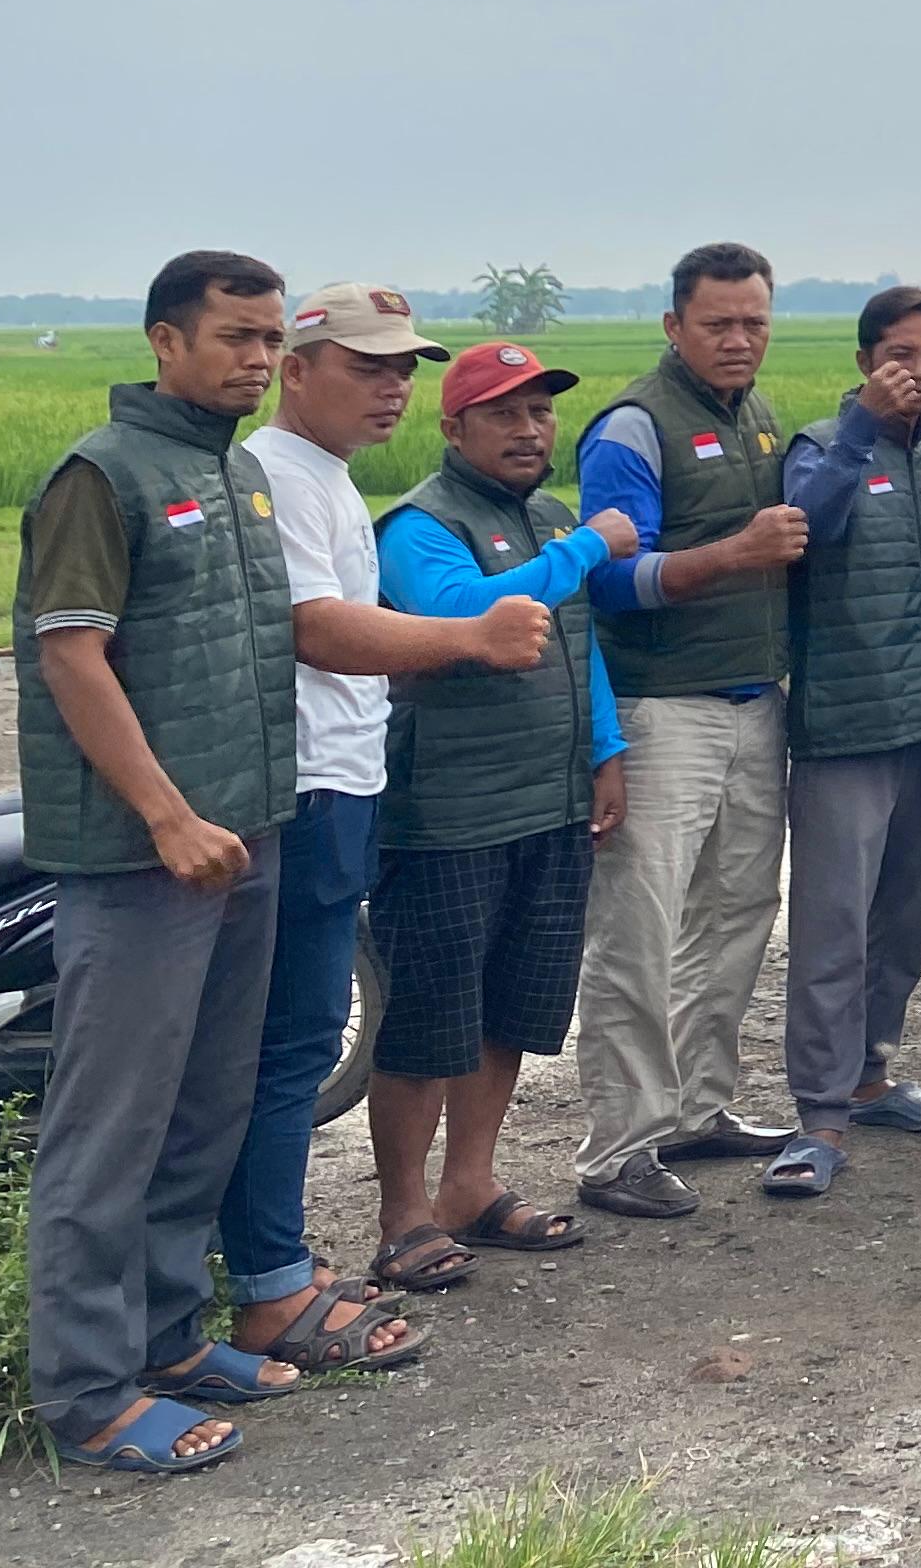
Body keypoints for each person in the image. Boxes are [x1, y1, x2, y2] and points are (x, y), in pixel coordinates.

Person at [20, 255, 547, 1475]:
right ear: (165, 341)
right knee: (114, 1125)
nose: (253, 360)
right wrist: (161, 815)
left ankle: (167, 1338)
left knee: (207, 1108)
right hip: (147, 854)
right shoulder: (107, 475)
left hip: (250, 836)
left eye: (266, 337)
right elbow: (71, 659)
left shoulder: (235, 476)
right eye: (234, 339)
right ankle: (87, 1391)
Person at [211, 286, 461, 1378]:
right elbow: (315, 631)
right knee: (291, 1048)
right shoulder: (278, 475)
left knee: (297, 1041)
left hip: (341, 783)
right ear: (296, 369)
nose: (392, 386)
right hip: (307, 790)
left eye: (403, 368)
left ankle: (278, 1262)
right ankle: (269, 1282)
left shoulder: (326, 481)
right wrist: (464, 636)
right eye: (365, 366)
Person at [363, 341, 635, 1294]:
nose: (529, 431)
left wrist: (606, 751)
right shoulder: (418, 526)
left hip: (549, 802)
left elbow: (574, 643)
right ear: (454, 429)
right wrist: (591, 547)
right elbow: (463, 612)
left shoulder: (550, 516)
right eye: (504, 415)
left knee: (513, 1005)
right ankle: (401, 1217)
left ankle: (470, 1186)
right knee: (429, 1018)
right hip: (449, 813)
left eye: (540, 413)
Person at [572, 240, 810, 1217]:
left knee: (739, 913)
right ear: (674, 325)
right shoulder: (633, 427)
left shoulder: (757, 417)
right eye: (717, 323)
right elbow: (610, 582)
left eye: (754, 321)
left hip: (757, 702)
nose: (738, 339)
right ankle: (617, 1149)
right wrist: (733, 555)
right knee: (641, 927)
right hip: (663, 707)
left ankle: (699, 1108)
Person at [765, 288, 921, 1199]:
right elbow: (808, 529)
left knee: (905, 917)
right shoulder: (823, 446)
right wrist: (862, 426)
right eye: (900, 354)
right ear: (866, 361)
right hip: (848, 725)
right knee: (833, 924)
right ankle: (818, 1112)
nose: (917, 370)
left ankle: (869, 1076)